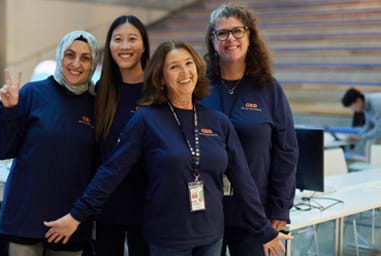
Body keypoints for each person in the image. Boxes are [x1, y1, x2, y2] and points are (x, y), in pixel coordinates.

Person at [43, 40, 292, 256]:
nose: (184, 72)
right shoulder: (146, 120)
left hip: (211, 234)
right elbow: (112, 171)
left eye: (188, 63)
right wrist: (77, 215)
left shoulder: (217, 121)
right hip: (168, 236)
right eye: (174, 67)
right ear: (161, 78)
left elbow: (243, 181)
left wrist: (264, 230)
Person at [199, 4, 298, 256]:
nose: (230, 39)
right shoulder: (199, 88)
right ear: (212, 40)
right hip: (205, 211)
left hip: (255, 212)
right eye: (221, 33)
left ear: (249, 36)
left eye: (237, 31)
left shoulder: (269, 89)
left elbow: (286, 151)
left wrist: (280, 207)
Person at [0, 30, 99, 256]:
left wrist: (80, 216)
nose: (76, 63)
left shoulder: (96, 105)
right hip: (24, 217)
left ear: (93, 64)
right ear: (60, 56)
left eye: (85, 57)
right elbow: (4, 150)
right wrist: (9, 111)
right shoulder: (32, 93)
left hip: (70, 221)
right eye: (70, 55)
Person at [93, 15, 150, 256]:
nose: (125, 46)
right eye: (118, 39)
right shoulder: (100, 91)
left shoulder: (157, 91)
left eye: (132, 39)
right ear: (109, 46)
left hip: (147, 204)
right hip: (107, 204)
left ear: (144, 45)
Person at [341, 88, 381, 155]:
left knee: (374, 149)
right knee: (370, 148)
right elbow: (369, 124)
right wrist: (358, 135)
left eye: (352, 106)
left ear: (358, 100)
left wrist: (361, 137)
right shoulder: (365, 104)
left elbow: (379, 129)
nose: (352, 109)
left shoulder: (377, 105)